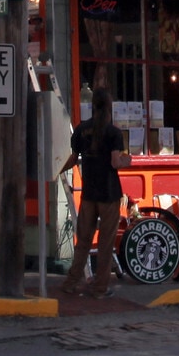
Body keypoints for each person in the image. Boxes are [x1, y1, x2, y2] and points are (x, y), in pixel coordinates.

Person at [57, 78, 130, 297]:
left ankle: (71, 282)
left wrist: (56, 170)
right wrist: (129, 160)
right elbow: (115, 162)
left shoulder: (81, 130)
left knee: (83, 241)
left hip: (89, 192)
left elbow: (72, 159)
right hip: (109, 193)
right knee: (106, 243)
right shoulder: (113, 133)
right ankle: (100, 287)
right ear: (109, 107)